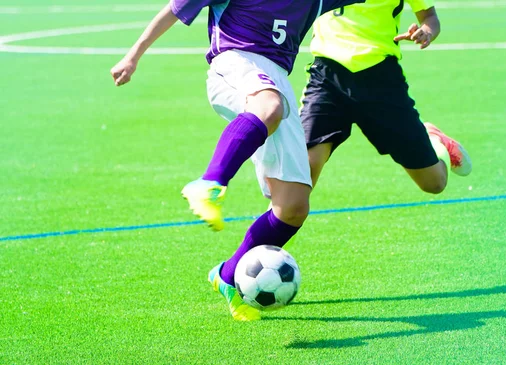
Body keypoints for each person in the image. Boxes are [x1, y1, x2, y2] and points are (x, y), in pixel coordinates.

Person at [110, 0, 364, 321]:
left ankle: (228, 276)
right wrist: (133, 56)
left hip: (276, 82)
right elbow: (174, 10)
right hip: (235, 63)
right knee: (268, 106)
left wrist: (426, 20)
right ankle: (209, 183)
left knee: (293, 207)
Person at [300, 1, 472, 199]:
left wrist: (426, 32)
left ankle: (435, 139)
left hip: (381, 81)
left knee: (434, 183)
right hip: (327, 79)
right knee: (301, 176)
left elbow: (430, 18)